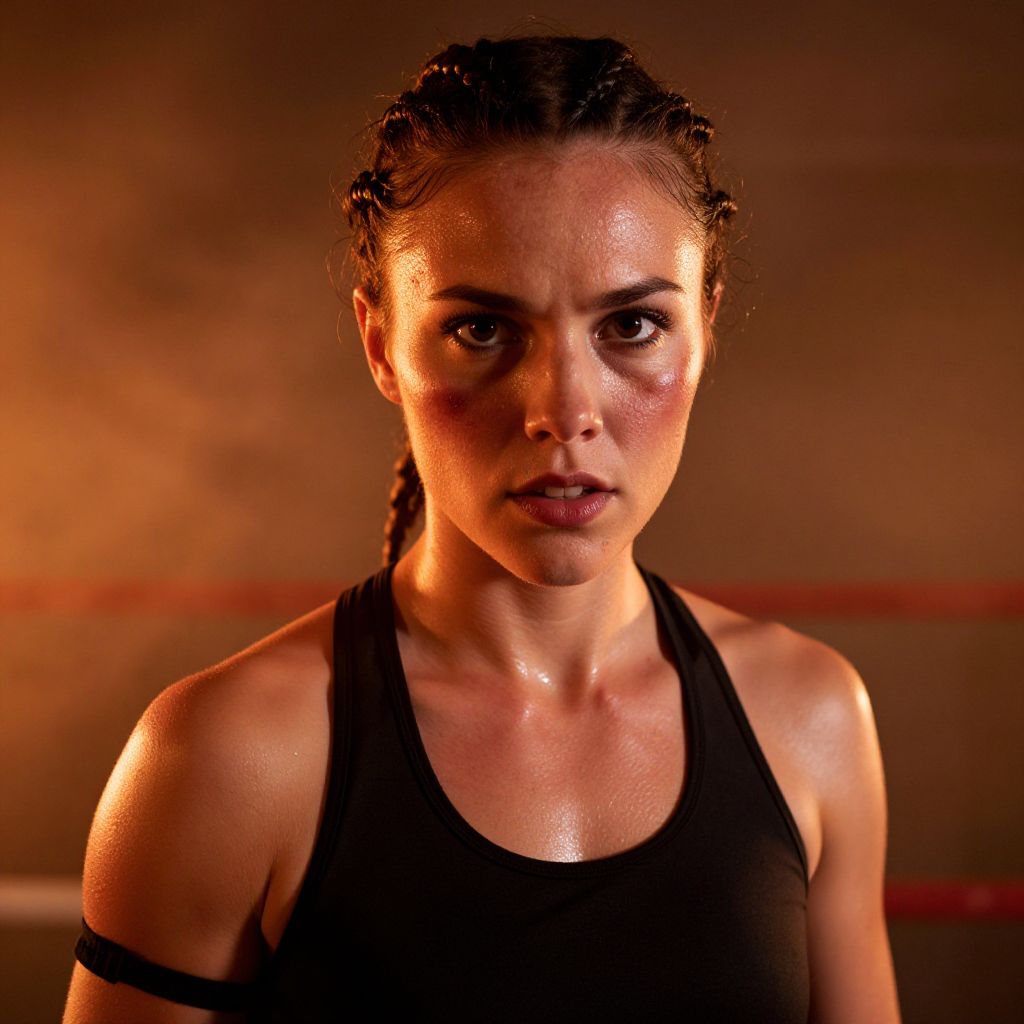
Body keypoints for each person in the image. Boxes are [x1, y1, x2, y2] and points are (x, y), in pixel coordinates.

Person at [63, 33, 901, 1023]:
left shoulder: (809, 719)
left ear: (704, 329)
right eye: (481, 328)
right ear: (381, 345)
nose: (560, 409)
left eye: (631, 325)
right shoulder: (230, 756)